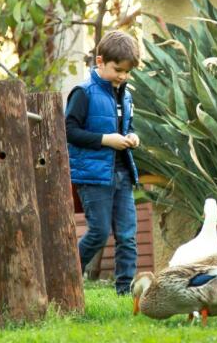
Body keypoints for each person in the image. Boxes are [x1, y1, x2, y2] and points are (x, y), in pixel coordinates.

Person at [65, 30, 140, 295]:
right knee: (98, 232)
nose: (122, 76)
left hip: (122, 173)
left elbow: (126, 126)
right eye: (117, 69)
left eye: (127, 72)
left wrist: (132, 136)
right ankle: (66, 278)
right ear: (100, 61)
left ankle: (125, 292)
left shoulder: (126, 94)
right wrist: (106, 140)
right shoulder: (83, 93)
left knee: (128, 237)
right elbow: (69, 131)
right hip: (94, 176)